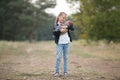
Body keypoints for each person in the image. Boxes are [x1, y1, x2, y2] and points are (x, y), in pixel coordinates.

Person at [53, 12, 74, 77]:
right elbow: (54, 33)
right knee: (58, 57)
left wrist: (66, 26)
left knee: (66, 57)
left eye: (65, 18)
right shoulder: (56, 25)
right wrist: (60, 31)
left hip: (67, 43)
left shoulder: (66, 24)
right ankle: (56, 72)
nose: (64, 19)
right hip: (59, 43)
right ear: (59, 17)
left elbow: (72, 28)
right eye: (63, 17)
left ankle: (65, 72)